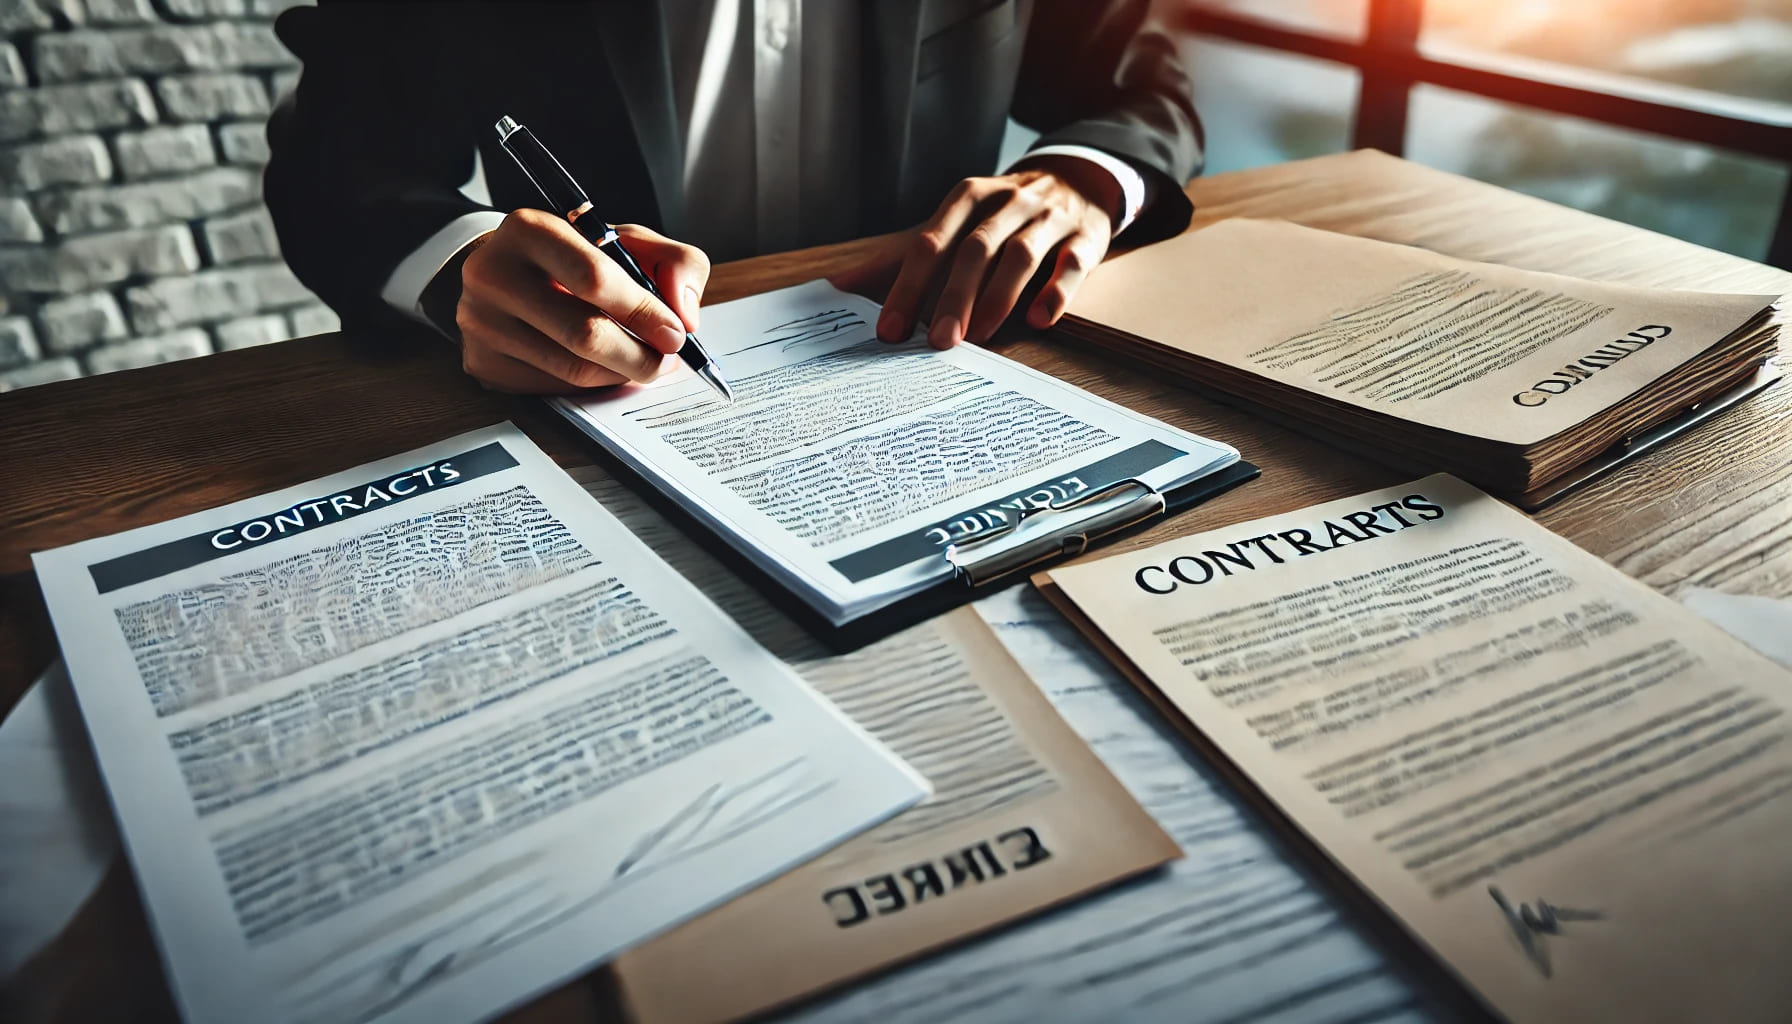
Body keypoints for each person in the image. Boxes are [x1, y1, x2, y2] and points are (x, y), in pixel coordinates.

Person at [265, 1, 1201, 394]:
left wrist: (1079, 177)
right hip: (591, 402)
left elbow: (1144, 88)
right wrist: (462, 268)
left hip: (938, 359)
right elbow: (337, 168)